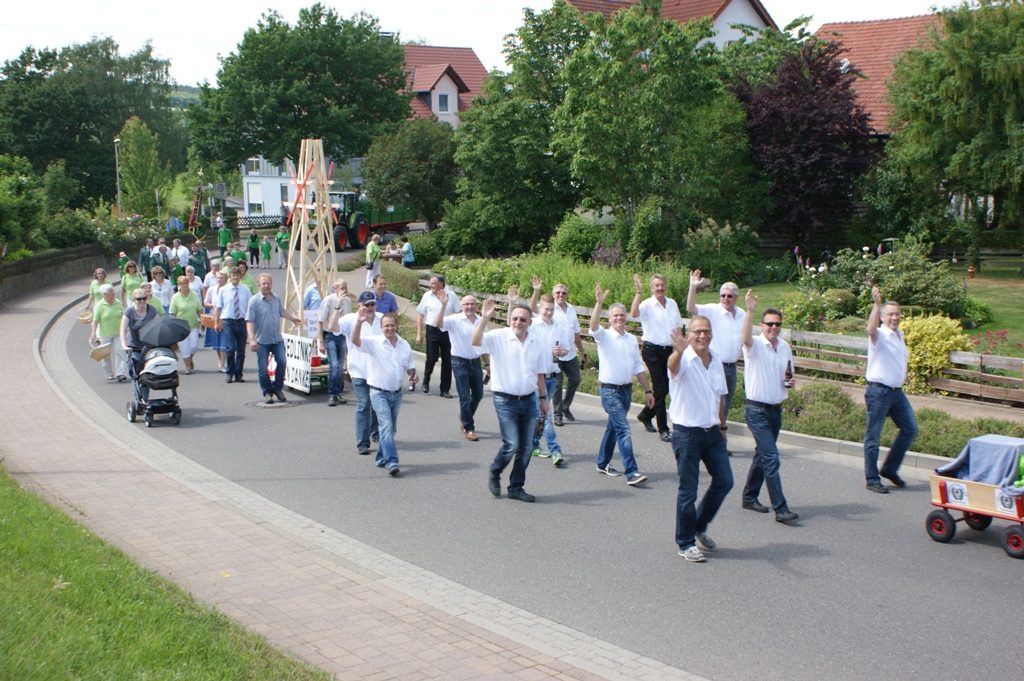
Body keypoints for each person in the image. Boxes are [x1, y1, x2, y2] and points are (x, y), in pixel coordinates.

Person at [471, 289, 548, 502]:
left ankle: (516, 487)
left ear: (530, 322)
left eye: (523, 319)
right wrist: (484, 318)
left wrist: (543, 399)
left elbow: (540, 374)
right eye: (515, 318)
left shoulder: (537, 343)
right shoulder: (498, 337)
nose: (518, 322)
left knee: (527, 448)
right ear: (510, 319)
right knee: (512, 444)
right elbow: (475, 341)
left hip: (530, 400)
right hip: (505, 400)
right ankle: (495, 470)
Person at [668, 316, 732, 563]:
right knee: (688, 491)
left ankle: (698, 525)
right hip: (687, 434)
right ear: (689, 335)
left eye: (706, 331)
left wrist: (723, 428)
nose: (702, 336)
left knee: (725, 481)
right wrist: (678, 351)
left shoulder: (716, 360)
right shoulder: (683, 358)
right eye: (697, 332)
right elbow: (672, 367)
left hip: (712, 432)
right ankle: (685, 543)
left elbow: (719, 397)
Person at [739, 290, 799, 523]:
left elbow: (786, 374)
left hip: (775, 410)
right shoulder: (754, 345)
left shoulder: (784, 347)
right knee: (771, 457)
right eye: (770, 324)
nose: (774, 328)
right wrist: (750, 311)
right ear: (762, 326)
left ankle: (749, 496)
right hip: (756, 411)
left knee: (762, 455)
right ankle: (780, 509)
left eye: (778, 324)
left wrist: (788, 383)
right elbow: (745, 338)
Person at [589, 283, 656, 487]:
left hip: (626, 392)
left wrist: (647, 390)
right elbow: (593, 327)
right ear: (610, 319)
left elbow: (638, 366)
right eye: (615, 315)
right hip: (610, 392)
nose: (619, 318)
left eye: (622, 315)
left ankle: (602, 463)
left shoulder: (631, 339)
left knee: (613, 428)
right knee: (624, 429)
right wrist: (599, 304)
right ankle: (632, 472)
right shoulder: (604, 336)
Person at [863, 286, 917, 493]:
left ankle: (889, 469)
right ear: (882, 317)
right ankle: (872, 480)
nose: (894, 318)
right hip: (879, 392)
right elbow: (870, 330)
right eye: (890, 314)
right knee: (873, 438)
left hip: (896, 392)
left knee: (910, 429)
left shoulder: (898, 335)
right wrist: (876, 304)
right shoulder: (880, 335)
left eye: (897, 314)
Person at [351, 311, 417, 476]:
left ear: (397, 326)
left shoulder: (404, 345)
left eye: (392, 325)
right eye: (386, 325)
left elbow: (409, 366)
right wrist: (359, 322)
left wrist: (413, 374)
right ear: (381, 327)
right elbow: (355, 341)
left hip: (397, 394)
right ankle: (391, 461)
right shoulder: (374, 342)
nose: (390, 328)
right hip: (379, 393)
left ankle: (381, 457)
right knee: (386, 426)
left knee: (390, 429)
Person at [687, 270, 745, 450]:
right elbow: (691, 308)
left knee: (725, 405)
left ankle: (718, 439)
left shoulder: (742, 314)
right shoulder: (713, 310)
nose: (725, 299)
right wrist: (693, 287)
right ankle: (713, 441)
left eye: (729, 296)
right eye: (723, 295)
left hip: (732, 366)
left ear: (736, 298)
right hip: (715, 366)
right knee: (714, 402)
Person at [631, 273, 683, 443]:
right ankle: (663, 429)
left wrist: (681, 348)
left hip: (669, 351)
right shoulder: (647, 304)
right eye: (656, 285)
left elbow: (677, 327)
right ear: (651, 288)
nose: (660, 288)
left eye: (662, 285)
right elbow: (634, 313)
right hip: (652, 350)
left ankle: (646, 415)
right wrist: (638, 292)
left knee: (666, 388)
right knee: (660, 388)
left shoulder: (672, 304)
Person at [334, 292, 382, 455]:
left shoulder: (382, 319)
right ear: (360, 305)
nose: (370, 308)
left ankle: (376, 433)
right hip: (359, 370)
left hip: (377, 371)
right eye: (366, 305)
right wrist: (337, 307)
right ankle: (362, 442)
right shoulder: (350, 319)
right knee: (364, 404)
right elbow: (332, 328)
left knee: (376, 404)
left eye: (372, 304)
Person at [527, 292, 573, 466]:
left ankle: (533, 445)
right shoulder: (532, 325)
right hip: (535, 378)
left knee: (541, 416)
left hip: (552, 377)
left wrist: (562, 352)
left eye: (552, 309)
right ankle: (555, 450)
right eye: (546, 309)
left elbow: (567, 350)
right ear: (540, 308)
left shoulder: (559, 328)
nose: (549, 312)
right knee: (545, 415)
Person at [436, 293, 486, 441]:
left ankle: (465, 416)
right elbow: (438, 323)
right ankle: (469, 428)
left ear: (477, 306)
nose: (469, 307)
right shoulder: (454, 319)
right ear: (461, 306)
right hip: (459, 363)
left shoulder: (481, 321)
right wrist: (443, 305)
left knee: (478, 395)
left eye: (472, 304)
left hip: (475, 362)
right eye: (466, 304)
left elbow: (483, 344)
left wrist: (488, 364)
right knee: (464, 396)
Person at [246, 273, 303, 404]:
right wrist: (252, 339)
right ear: (259, 285)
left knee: (282, 362)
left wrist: (292, 319)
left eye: (268, 283)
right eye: (263, 284)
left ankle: (277, 388)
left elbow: (282, 311)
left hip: (277, 339)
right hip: (262, 341)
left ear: (271, 284)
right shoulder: (254, 301)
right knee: (263, 368)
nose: (266, 286)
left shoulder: (276, 298)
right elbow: (249, 321)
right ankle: (267, 392)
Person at [416, 274, 458, 397]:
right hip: (432, 330)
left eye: (433, 283)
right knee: (432, 358)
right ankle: (426, 380)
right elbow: (420, 315)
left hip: (447, 330)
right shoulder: (427, 295)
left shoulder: (451, 295)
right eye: (430, 283)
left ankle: (445, 389)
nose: (430, 285)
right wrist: (419, 334)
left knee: (447, 360)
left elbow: (459, 312)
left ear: (441, 284)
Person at [214, 267, 253, 384]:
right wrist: (216, 322)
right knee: (231, 349)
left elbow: (251, 307)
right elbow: (218, 307)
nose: (235, 277)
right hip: (228, 322)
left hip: (242, 322)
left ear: (240, 277)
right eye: (233, 276)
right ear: (230, 277)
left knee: (241, 350)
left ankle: (238, 374)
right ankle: (229, 373)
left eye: (237, 275)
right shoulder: (223, 290)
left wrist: (251, 322)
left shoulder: (246, 290)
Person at [120, 289, 159, 400]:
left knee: (147, 372)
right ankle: (139, 397)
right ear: (133, 300)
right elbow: (122, 330)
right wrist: (124, 346)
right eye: (139, 299)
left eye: (144, 298)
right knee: (136, 371)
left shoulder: (152, 310)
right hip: (134, 346)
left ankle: (145, 398)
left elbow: (157, 326)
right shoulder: (129, 312)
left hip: (148, 346)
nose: (142, 301)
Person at [318, 279, 351, 406]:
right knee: (335, 364)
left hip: (342, 335)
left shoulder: (347, 301)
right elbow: (320, 321)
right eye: (341, 288)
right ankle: (332, 394)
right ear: (335, 289)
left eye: (345, 288)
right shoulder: (328, 300)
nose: (344, 290)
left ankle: (337, 392)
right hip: (330, 335)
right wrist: (321, 341)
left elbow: (348, 320)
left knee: (340, 365)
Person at [90, 284, 127, 381]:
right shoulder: (100, 305)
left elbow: (123, 316)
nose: (113, 292)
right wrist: (93, 333)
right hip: (105, 334)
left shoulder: (118, 303)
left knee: (120, 352)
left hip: (118, 333)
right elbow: (95, 321)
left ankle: (120, 373)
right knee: (106, 355)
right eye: (110, 291)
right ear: (104, 294)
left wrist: (125, 328)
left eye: (113, 290)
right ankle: (109, 373)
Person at [169, 276, 203, 374]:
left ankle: (190, 358)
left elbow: (199, 310)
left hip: (193, 325)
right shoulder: (176, 297)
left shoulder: (194, 295)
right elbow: (172, 314)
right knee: (184, 348)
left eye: (186, 283)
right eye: (182, 284)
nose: (185, 285)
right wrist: (173, 327)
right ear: (179, 285)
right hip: (181, 327)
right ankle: (188, 366)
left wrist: (203, 321)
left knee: (194, 346)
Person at [203, 270, 229, 372]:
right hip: (214, 318)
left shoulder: (228, 289)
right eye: (218, 278)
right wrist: (212, 306)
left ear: (226, 279)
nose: (219, 280)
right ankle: (221, 361)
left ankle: (222, 365)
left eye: (221, 278)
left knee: (224, 342)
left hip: (225, 317)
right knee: (217, 343)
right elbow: (205, 302)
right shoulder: (211, 289)